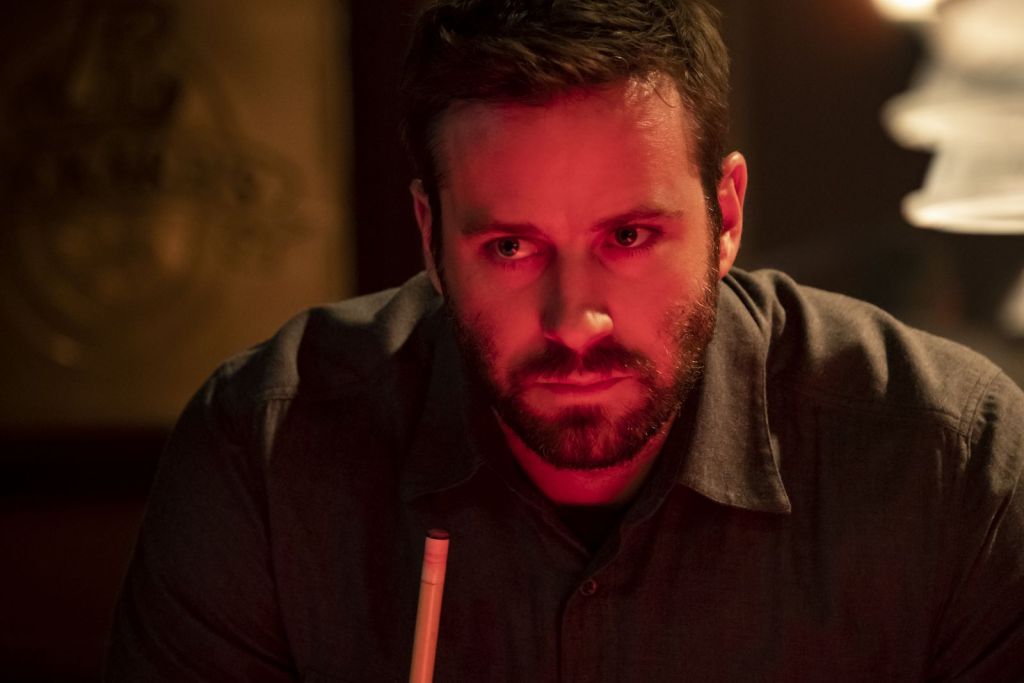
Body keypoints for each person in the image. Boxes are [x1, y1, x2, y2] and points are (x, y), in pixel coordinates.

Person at [106, 0, 1024, 680]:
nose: (575, 318)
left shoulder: (947, 460)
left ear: (728, 215)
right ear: (430, 237)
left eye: (629, 236)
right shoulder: (268, 454)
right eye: (511, 247)